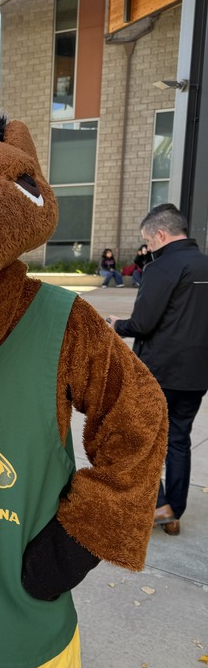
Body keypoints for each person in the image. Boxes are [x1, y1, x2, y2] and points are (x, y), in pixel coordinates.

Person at [108, 202, 208, 536]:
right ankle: (173, 513)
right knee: (179, 438)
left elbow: (142, 323)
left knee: (142, 440)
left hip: (159, 372)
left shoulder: (163, 268)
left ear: (161, 234)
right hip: (197, 375)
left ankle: (158, 503)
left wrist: (116, 325)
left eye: (148, 243)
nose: (148, 249)